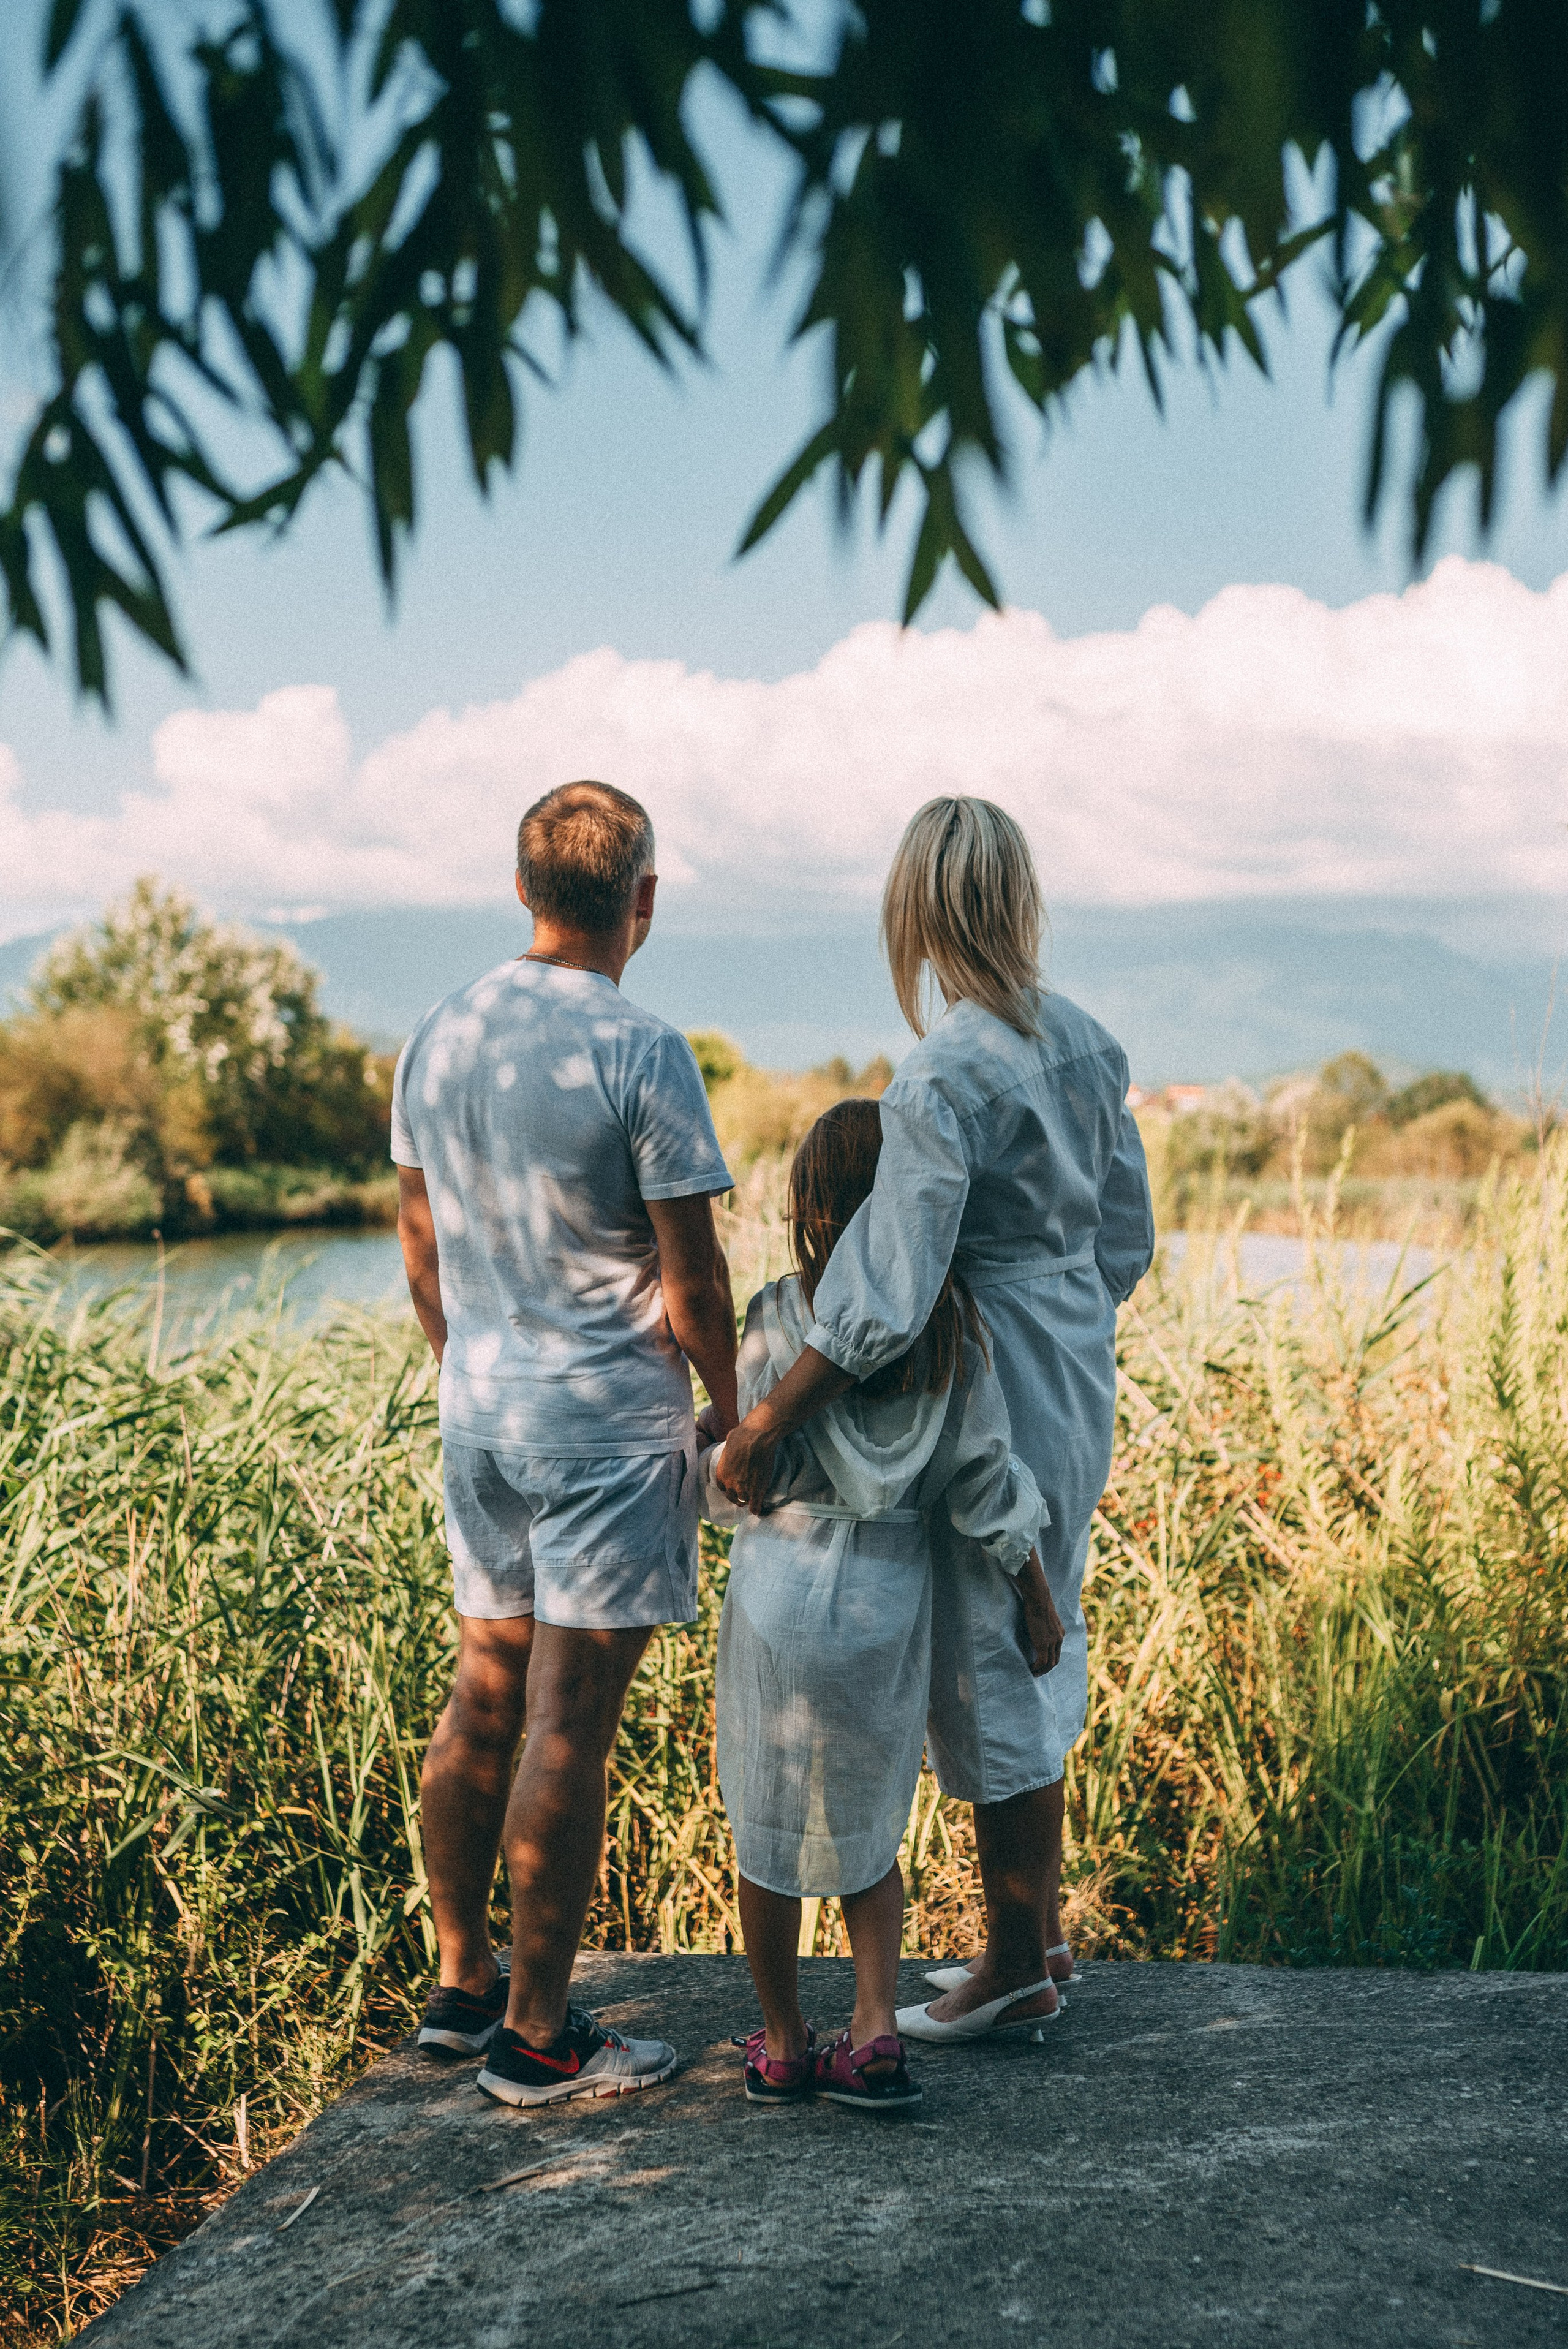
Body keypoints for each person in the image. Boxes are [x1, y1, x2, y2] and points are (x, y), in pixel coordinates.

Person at [717, 797, 1155, 2043]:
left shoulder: (942, 1072)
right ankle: (1040, 1936)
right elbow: (1126, 1240)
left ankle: (1013, 1965)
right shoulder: (1089, 1044)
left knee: (993, 1661)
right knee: (1041, 1621)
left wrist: (768, 1417)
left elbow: (885, 1289)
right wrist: (1062, 1305)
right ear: (1016, 898)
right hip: (1074, 1362)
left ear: (917, 911)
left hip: (995, 1362)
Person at [393, 779, 739, 2106]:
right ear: (643, 899)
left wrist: (467, 1364)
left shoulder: (440, 1032)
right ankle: (540, 2039)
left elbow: (420, 1247)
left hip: (481, 1415)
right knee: (567, 1726)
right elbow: (695, 1280)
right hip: (603, 1431)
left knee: (483, 1692)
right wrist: (731, 1413)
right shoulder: (643, 1048)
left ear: (524, 888)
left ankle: (462, 1986)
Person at [701, 1100, 1060, 2110]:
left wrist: (714, 1468)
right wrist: (1035, 1597)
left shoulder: (779, 1313)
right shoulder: (949, 1325)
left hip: (780, 1586)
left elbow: (742, 1471)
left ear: (811, 1204)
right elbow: (986, 1478)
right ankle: (872, 2034)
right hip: (888, 1596)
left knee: (766, 1827)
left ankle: (783, 2043)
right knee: (871, 1825)